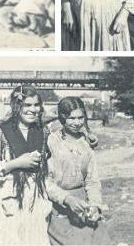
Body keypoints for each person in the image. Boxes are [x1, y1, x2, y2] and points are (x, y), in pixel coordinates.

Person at [0, 85, 52, 245]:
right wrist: (15, 163)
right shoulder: (0, 133)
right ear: (17, 106)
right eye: (27, 105)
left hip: (34, 202)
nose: (33, 110)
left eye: (36, 105)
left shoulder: (43, 132)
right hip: (5, 203)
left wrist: (87, 134)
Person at [46, 97, 111, 245]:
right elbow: (45, 182)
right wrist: (67, 199)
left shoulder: (86, 142)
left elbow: (92, 179)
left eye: (80, 117)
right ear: (62, 118)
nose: (77, 123)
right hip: (59, 207)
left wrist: (95, 205)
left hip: (84, 206)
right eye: (71, 118)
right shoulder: (51, 141)